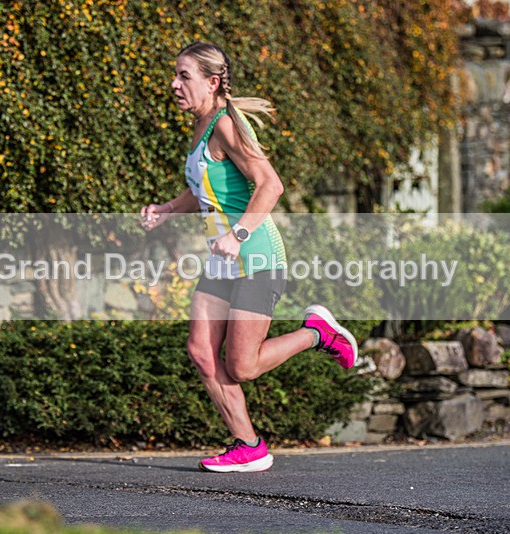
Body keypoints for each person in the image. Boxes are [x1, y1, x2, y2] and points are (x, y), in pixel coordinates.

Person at [140, 42, 374, 473]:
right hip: (223, 259)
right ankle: (249, 445)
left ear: (212, 82)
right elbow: (204, 191)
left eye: (183, 76)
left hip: (256, 256)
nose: (174, 84)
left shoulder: (226, 124)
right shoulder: (202, 124)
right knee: (201, 352)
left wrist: (238, 234)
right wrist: (166, 210)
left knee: (242, 365)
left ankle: (317, 333)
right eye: (174, 75)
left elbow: (271, 185)